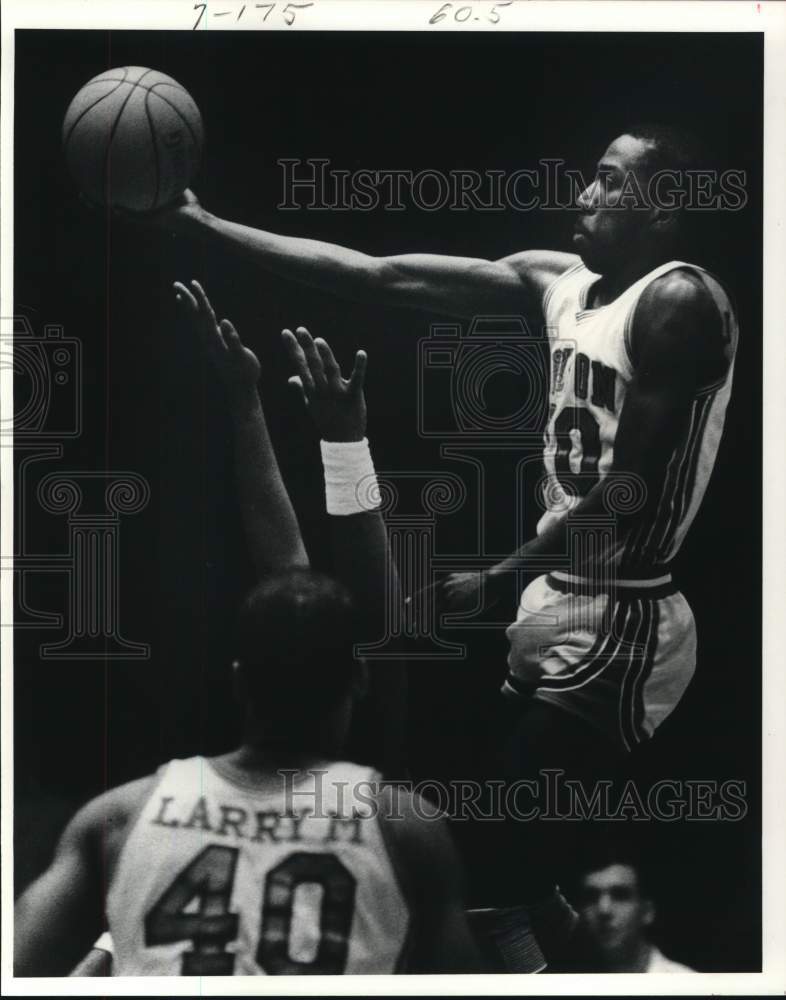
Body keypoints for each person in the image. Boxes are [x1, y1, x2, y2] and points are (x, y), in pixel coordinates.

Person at [148, 125, 738, 928]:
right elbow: (379, 274)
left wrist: (499, 576)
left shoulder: (677, 302)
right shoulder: (557, 283)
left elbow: (628, 489)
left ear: (664, 205)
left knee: (487, 872)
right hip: (555, 600)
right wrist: (208, 227)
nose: (583, 196)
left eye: (607, 182)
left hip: (625, 612)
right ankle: (556, 921)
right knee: (499, 863)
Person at [14, 284, 480, 976]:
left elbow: (25, 970)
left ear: (238, 680)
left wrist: (243, 400)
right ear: (356, 679)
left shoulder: (124, 819)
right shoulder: (399, 826)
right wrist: (342, 438)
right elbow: (367, 616)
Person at [567, 852, 697, 973]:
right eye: (591, 897)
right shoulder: (567, 987)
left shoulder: (689, 985)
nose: (603, 910)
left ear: (647, 911)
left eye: (620, 895)